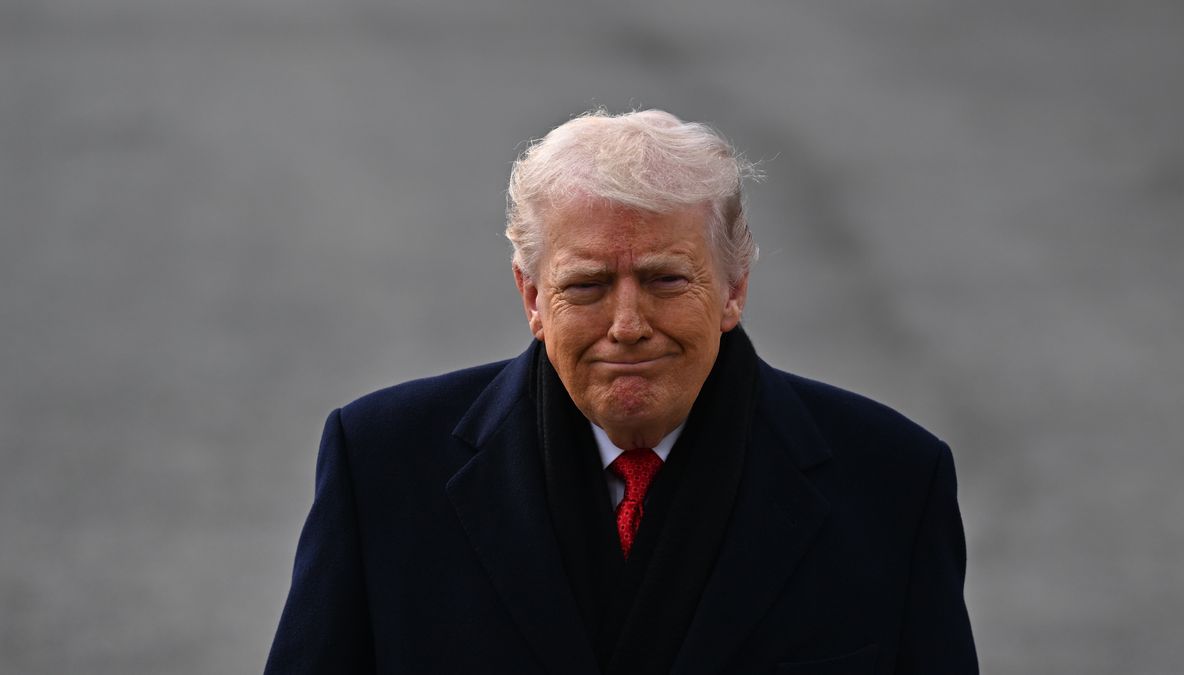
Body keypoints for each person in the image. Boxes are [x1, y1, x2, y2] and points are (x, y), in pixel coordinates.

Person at [265, 109, 978, 674]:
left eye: (667, 279)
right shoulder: (383, 466)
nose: (627, 325)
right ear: (532, 296)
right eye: (587, 285)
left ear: (734, 287)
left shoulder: (892, 484)